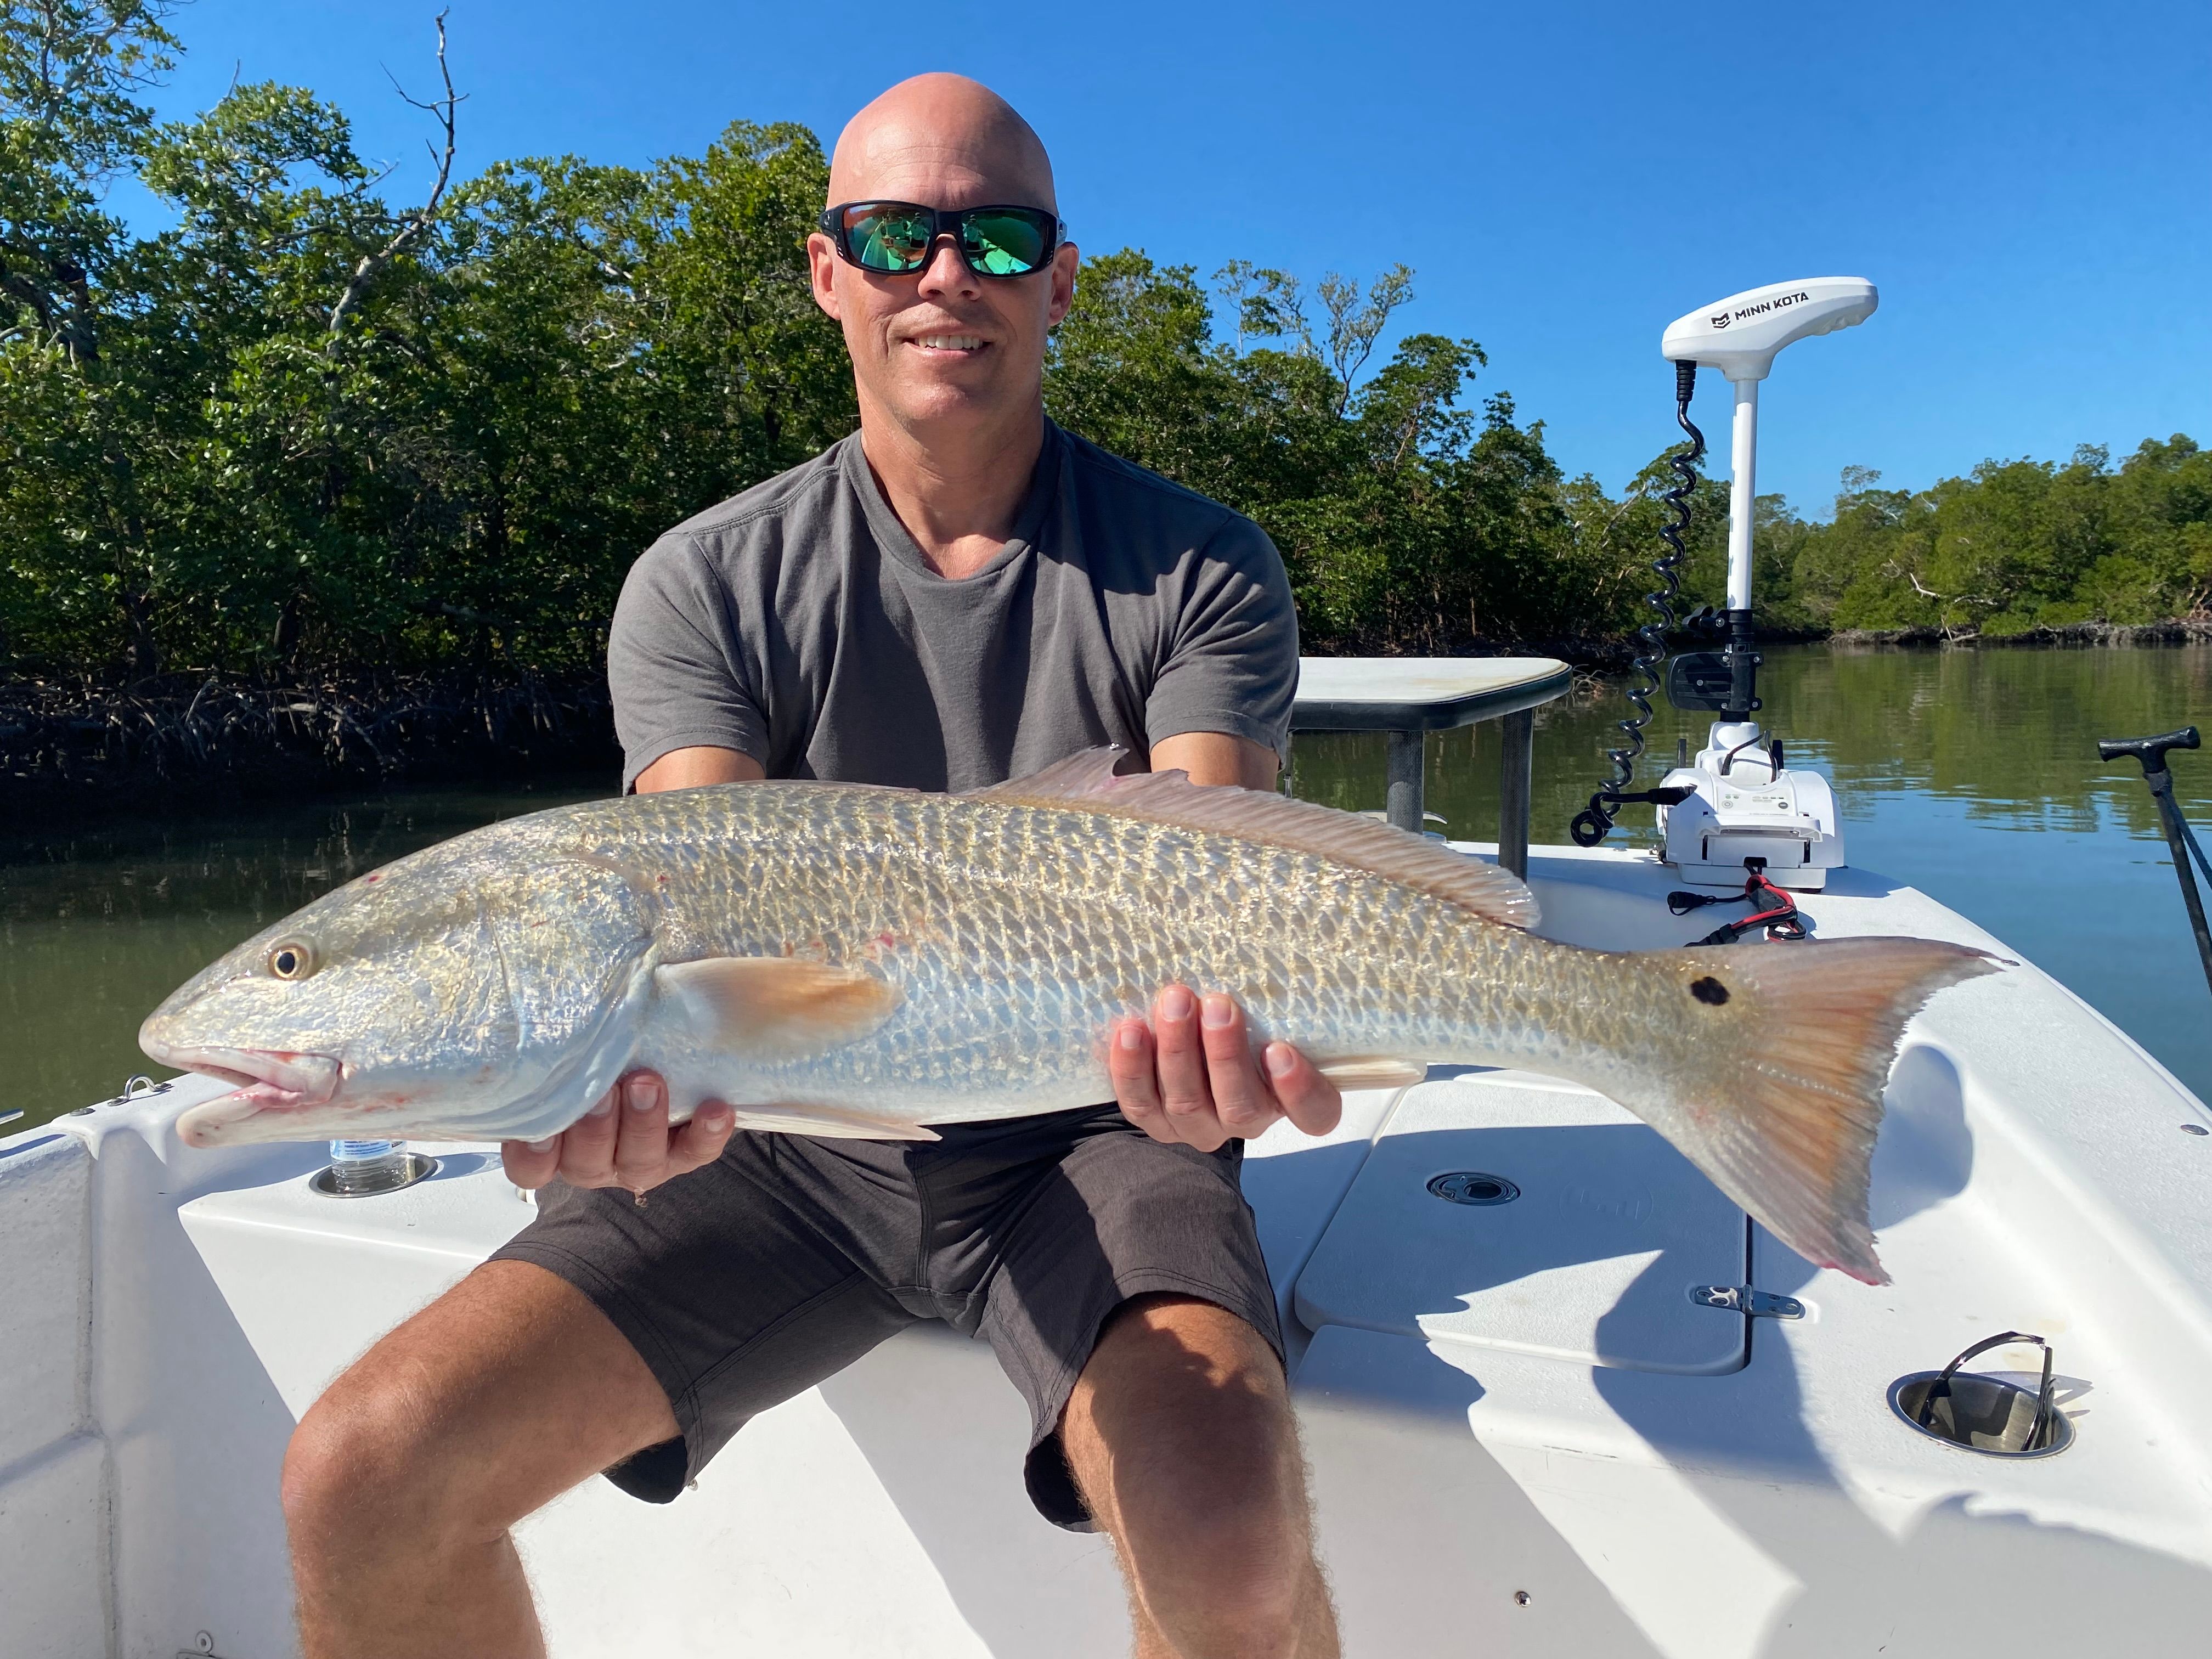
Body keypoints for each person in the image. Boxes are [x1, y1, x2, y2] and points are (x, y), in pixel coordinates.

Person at [279, 72, 1344, 1659]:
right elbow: (695, 899)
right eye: (895, 234)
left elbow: (1215, 880)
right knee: (360, 1475)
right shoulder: (703, 581)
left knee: (1228, 1533)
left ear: (1060, 281)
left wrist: (1222, 1059)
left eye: (997, 237)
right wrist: (631, 1097)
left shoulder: (1200, 565)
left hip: (1100, 1126)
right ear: (827, 271)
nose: (947, 273)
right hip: (769, 1147)